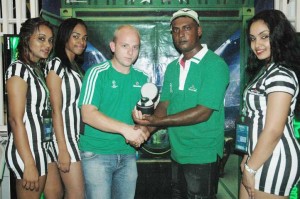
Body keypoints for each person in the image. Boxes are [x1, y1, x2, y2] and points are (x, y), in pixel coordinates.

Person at [133, 8, 229, 199]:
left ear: (199, 31)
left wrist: (157, 123)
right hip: (177, 153)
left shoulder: (215, 65)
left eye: (187, 28)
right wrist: (144, 129)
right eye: (175, 30)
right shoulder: (172, 68)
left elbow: (203, 112)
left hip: (203, 155)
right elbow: (164, 106)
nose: (180, 34)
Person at [78, 25, 150, 199]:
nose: (130, 52)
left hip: (127, 154)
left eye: (135, 47)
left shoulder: (143, 78)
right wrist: (126, 129)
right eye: (125, 45)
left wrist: (143, 129)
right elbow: (87, 114)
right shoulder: (97, 73)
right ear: (112, 47)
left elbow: (144, 118)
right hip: (97, 153)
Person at [239, 9, 300, 199]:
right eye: (252, 38)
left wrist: (250, 167)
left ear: (278, 36)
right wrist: (247, 156)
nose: (257, 44)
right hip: (258, 156)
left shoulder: (280, 74)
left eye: (264, 37)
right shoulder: (266, 70)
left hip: (275, 157)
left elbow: (273, 129)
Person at [5, 17, 54, 199]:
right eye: (41, 39)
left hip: (41, 146)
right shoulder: (18, 70)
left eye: (50, 40)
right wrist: (29, 164)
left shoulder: (35, 69)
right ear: (26, 39)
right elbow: (15, 120)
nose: (47, 44)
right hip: (28, 150)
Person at [45, 18, 87, 199]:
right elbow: (55, 109)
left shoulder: (76, 67)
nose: (81, 42)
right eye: (76, 36)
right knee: (76, 194)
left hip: (76, 138)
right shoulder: (56, 65)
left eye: (85, 38)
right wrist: (62, 147)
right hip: (64, 138)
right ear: (64, 37)